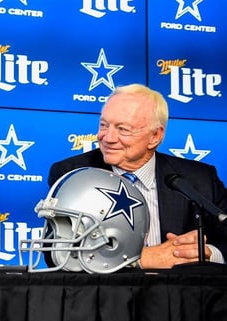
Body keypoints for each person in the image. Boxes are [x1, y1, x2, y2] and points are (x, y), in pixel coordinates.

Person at [48, 83, 227, 269]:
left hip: (182, 295)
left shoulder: (199, 179)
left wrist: (207, 253)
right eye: (104, 125)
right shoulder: (74, 174)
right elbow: (57, 254)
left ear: (155, 136)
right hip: (107, 296)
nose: (108, 138)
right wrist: (141, 259)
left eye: (122, 129)